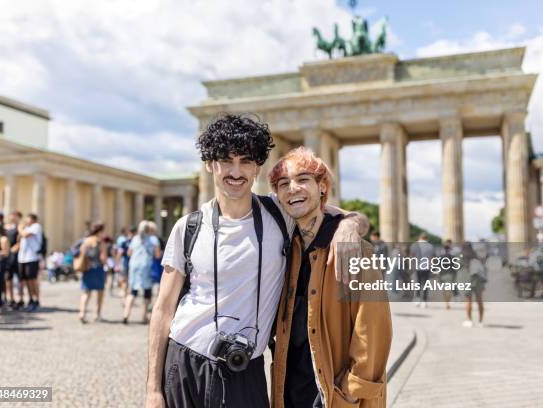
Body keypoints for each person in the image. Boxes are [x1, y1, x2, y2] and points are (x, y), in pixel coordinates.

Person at [146, 114, 367, 408]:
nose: (236, 171)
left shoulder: (280, 214)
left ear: (257, 167)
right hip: (185, 359)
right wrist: (153, 389)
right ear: (211, 164)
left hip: (245, 367)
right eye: (226, 160)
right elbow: (162, 310)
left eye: (246, 160)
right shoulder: (188, 227)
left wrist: (350, 226)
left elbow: (346, 215)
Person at [269, 147, 392, 407]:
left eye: (303, 179)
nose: (293, 189)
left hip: (335, 396)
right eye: (283, 184)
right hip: (290, 394)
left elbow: (372, 327)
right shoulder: (286, 251)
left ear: (322, 187)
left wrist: (351, 390)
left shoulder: (355, 250)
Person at [123, 220, 161, 324]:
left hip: (134, 266)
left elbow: (129, 253)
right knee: (147, 292)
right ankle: (144, 316)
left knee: (133, 291)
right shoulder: (153, 239)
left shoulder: (135, 238)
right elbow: (157, 255)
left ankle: (126, 314)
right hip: (146, 266)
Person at [77, 222, 108, 323]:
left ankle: (82, 313)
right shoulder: (100, 242)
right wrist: (107, 264)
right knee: (100, 292)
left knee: (86, 292)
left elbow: (81, 253)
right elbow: (103, 258)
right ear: (100, 231)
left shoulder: (86, 241)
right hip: (98, 269)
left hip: (87, 268)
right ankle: (97, 314)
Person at [17, 213, 43, 312]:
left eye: (27, 219)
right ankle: (30, 299)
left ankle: (36, 299)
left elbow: (24, 234)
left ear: (32, 219)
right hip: (22, 258)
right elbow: (19, 238)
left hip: (32, 257)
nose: (25, 221)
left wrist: (20, 228)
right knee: (26, 280)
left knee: (32, 280)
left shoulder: (36, 226)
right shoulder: (27, 227)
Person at [462, 242, 488, 328]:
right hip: (478, 279)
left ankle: (469, 320)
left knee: (468, 300)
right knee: (479, 300)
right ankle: (480, 321)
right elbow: (484, 267)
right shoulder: (476, 256)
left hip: (467, 279)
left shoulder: (461, 256)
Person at [5, 211, 24, 310]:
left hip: (18, 256)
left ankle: (20, 299)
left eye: (13, 215)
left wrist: (13, 249)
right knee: (8, 278)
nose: (11, 217)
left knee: (20, 279)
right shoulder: (7, 227)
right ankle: (11, 299)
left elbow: (21, 241)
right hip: (9, 256)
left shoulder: (20, 227)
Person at [409, 232, 434, 308]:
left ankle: (417, 299)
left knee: (417, 284)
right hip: (427, 267)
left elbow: (411, 256)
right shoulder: (430, 246)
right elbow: (432, 258)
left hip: (417, 267)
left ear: (419, 238)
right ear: (426, 238)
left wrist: (411, 266)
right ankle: (424, 301)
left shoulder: (414, 245)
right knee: (425, 284)